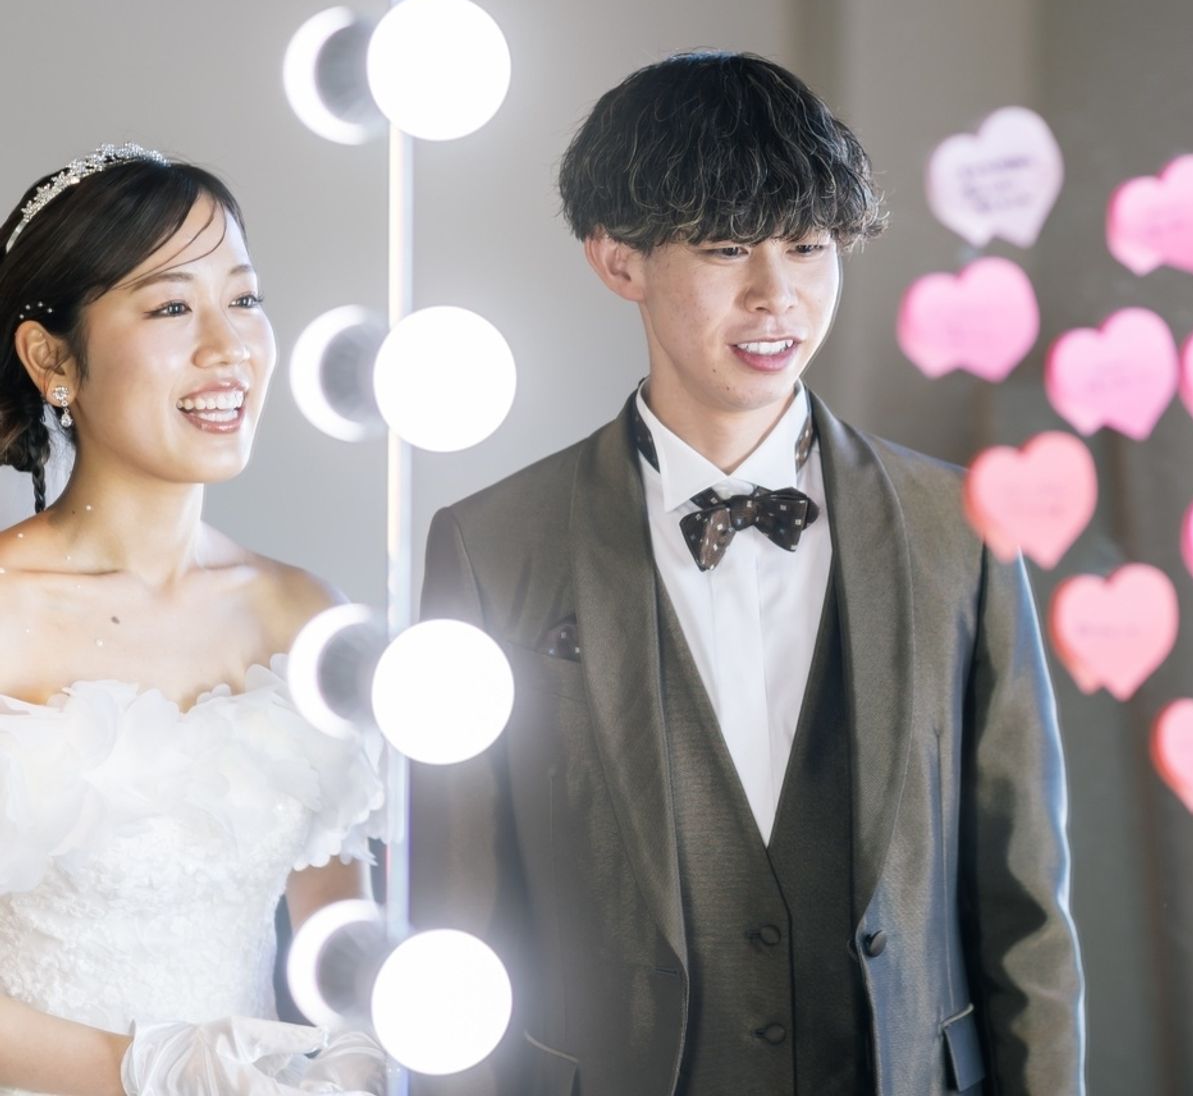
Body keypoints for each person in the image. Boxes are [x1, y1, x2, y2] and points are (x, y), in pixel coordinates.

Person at [416, 53, 1085, 1096]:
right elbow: (458, 919)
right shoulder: (492, 545)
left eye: (808, 246)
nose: (777, 295)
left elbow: (1025, 904)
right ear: (618, 259)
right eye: (727, 247)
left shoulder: (959, 529)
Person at [0, 145, 386, 1096]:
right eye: (172, 308)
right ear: (53, 358)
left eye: (245, 299)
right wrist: (152, 1069)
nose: (229, 347)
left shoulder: (305, 616)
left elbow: (343, 939)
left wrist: (357, 1053)